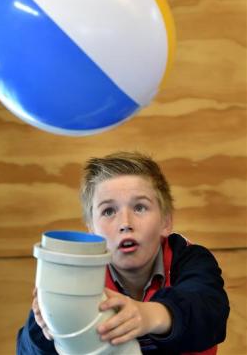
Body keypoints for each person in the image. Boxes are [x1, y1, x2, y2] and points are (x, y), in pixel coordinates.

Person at [17, 151, 229, 355]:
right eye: (109, 211)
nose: (125, 223)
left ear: (166, 222)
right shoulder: (75, 278)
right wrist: (49, 329)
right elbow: (25, 350)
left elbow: (210, 312)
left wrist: (149, 315)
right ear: (91, 230)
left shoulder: (191, 259)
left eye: (139, 207)